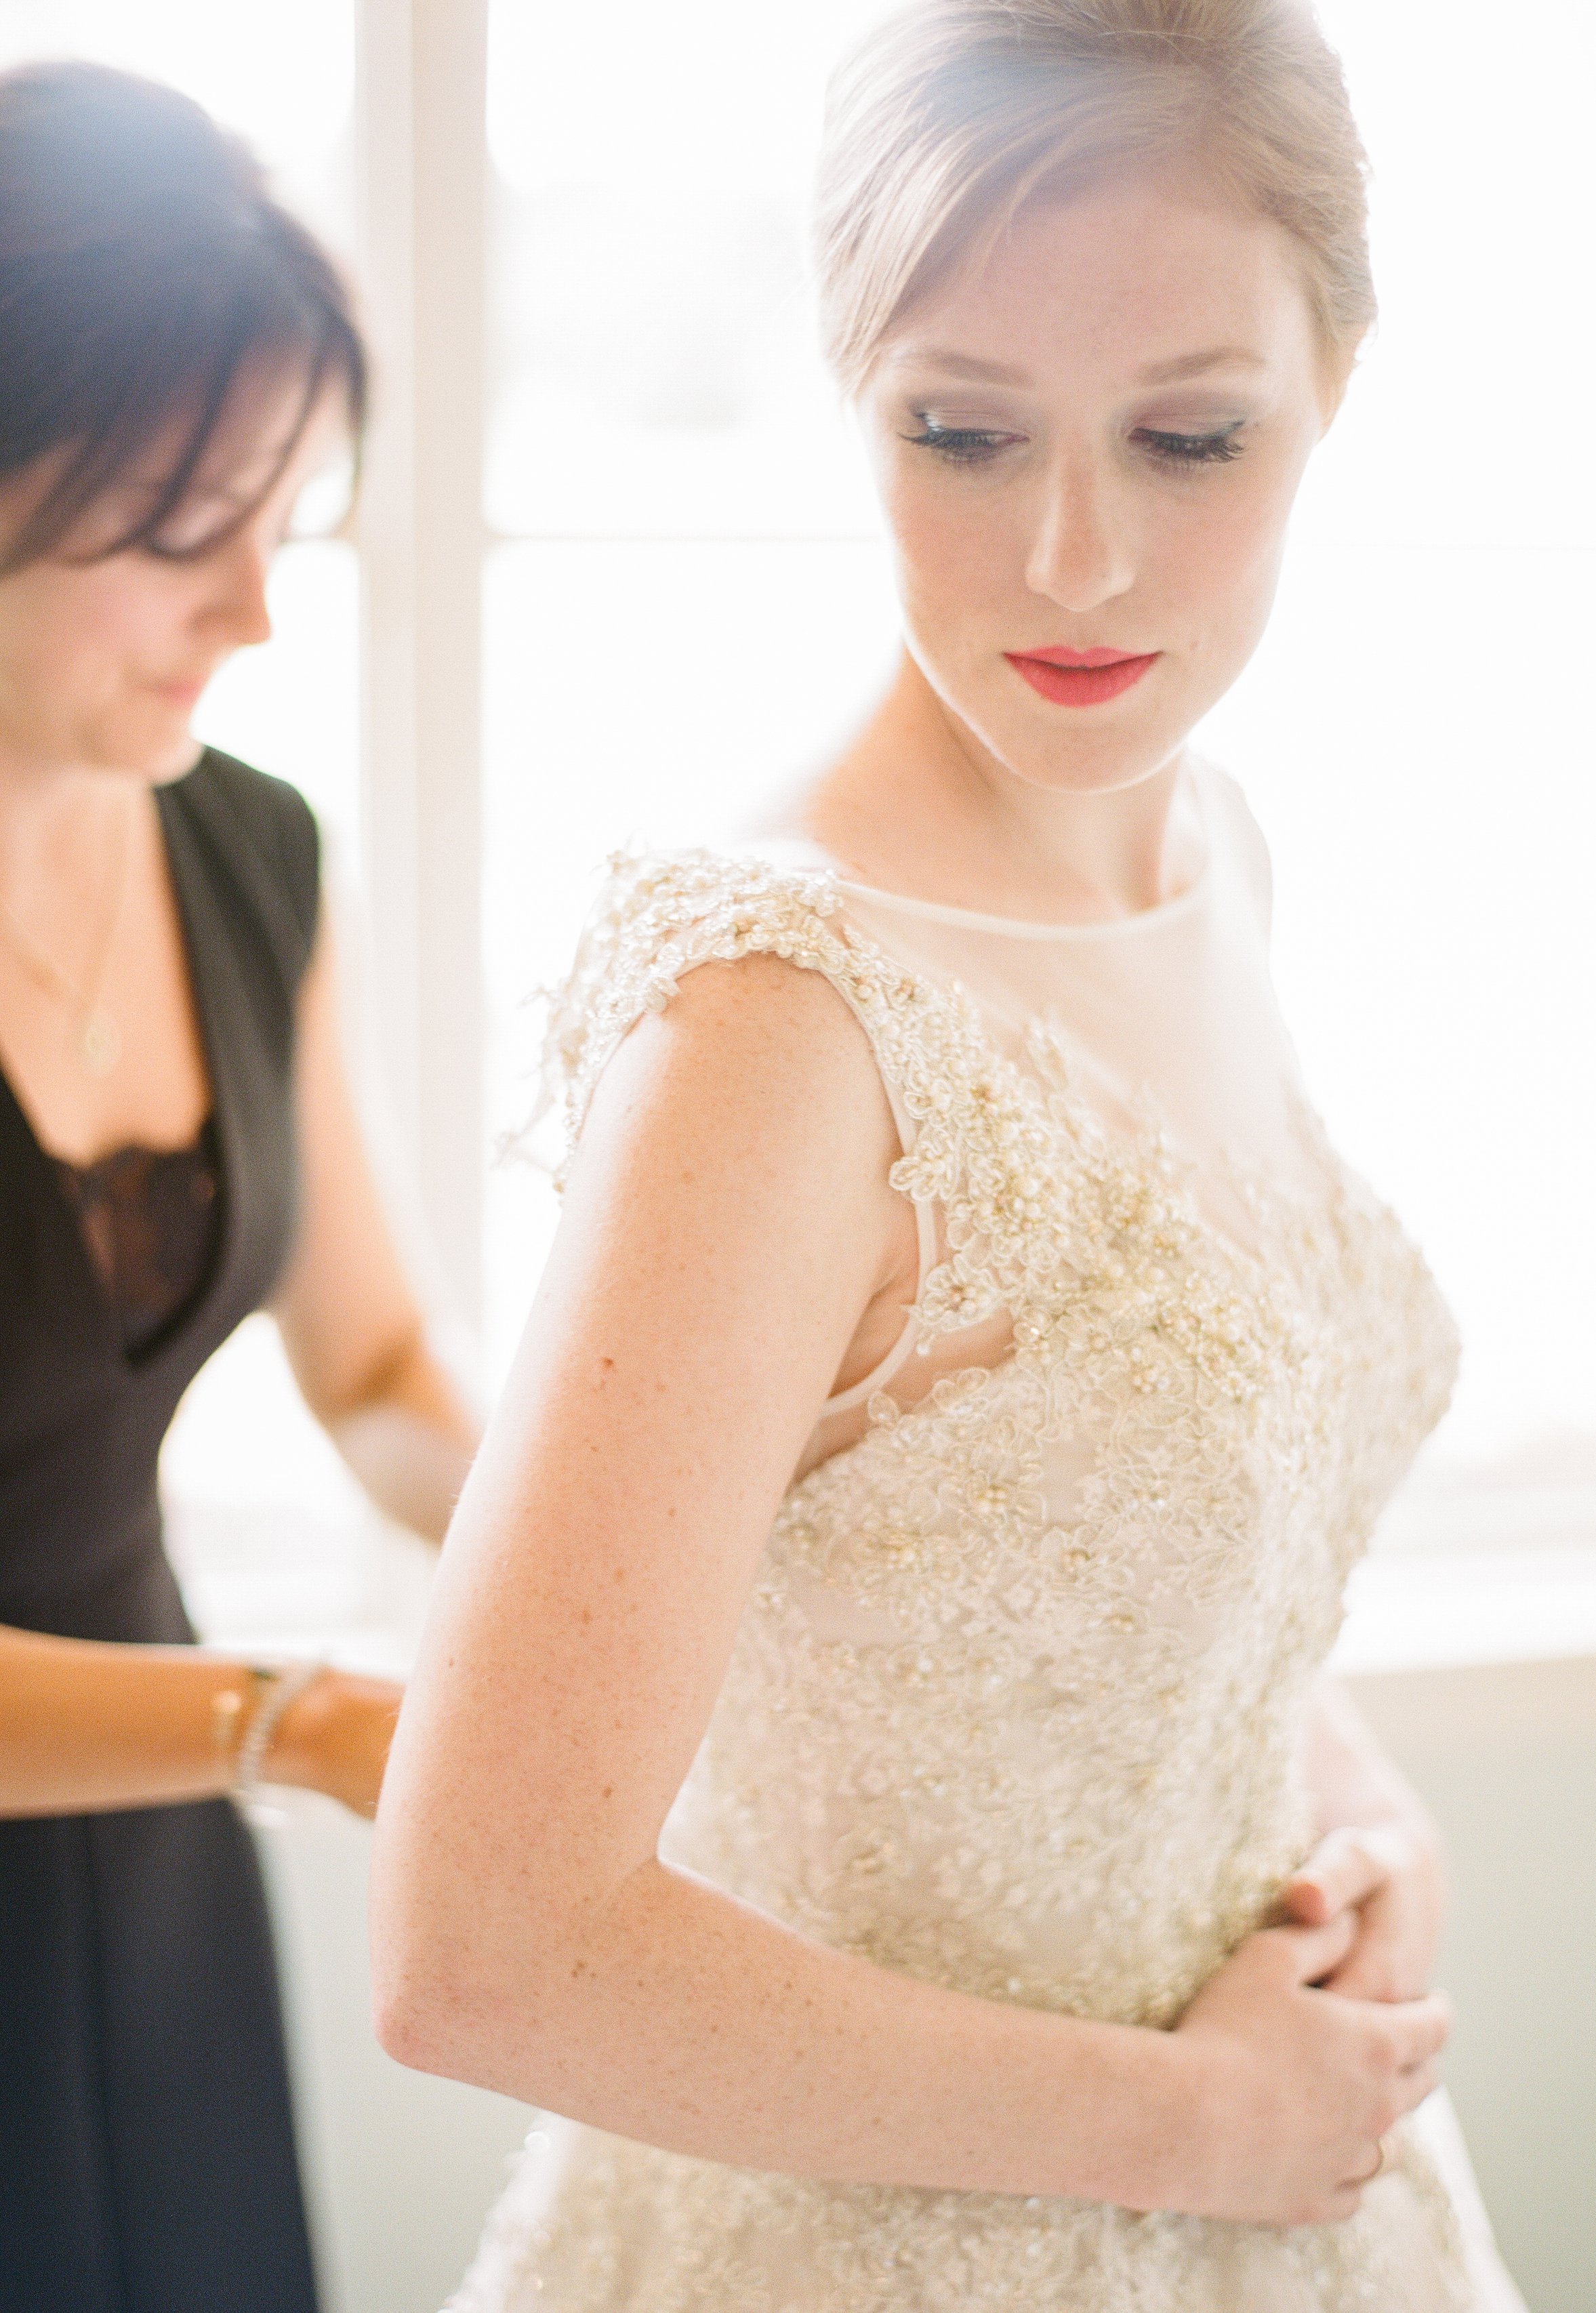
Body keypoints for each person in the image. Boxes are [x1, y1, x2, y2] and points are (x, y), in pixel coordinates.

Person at [371, 2, 1526, 2306]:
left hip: (1282, 2187)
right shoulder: (775, 1026)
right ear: (844, 384)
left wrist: (1341, 1788)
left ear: (1338, 386)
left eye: (1189, 436)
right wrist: (1189, 2124)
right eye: (959, 431)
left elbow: (1102, 1524)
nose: (1075, 561)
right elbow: (481, 1948)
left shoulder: (1206, 845)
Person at [0, 60, 478, 2313]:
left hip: (155, 1865)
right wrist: (299, 1721)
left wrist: (635, 1574)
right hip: (202, 1743)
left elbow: (372, 1364)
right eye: (185, 540)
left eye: (283, 523)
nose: (259, 617)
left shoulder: (248, 850)